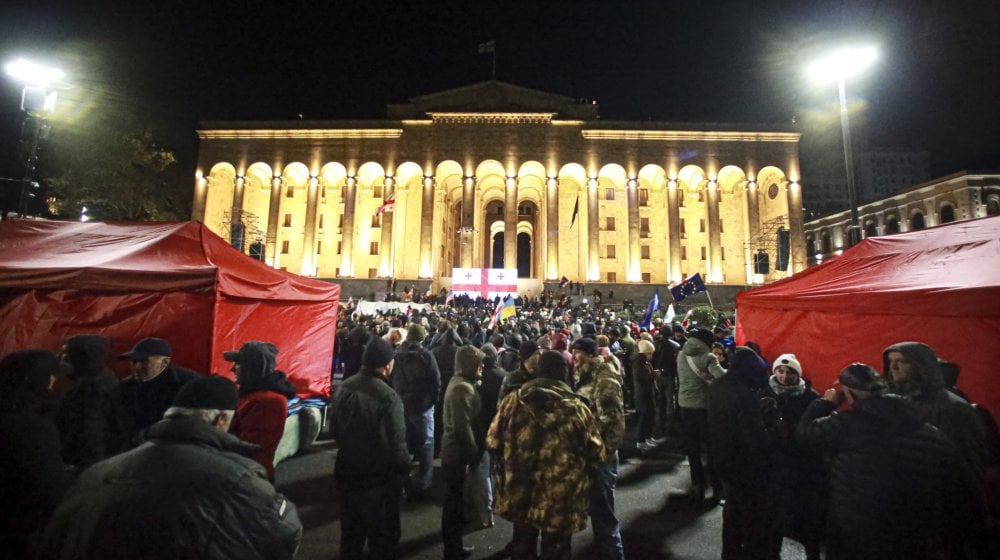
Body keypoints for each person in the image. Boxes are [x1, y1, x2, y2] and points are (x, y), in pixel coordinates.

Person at [40, 376, 302, 559]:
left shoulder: (97, 473)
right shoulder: (238, 478)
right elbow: (284, 533)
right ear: (221, 420)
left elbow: (55, 540)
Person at [797, 363, 985, 560]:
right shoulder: (932, 433)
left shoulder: (847, 424)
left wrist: (825, 403)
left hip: (856, 532)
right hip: (916, 535)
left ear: (849, 395)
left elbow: (805, 435)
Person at [491, 350, 605, 559]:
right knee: (557, 551)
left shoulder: (512, 402)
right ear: (563, 373)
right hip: (561, 499)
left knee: (522, 546)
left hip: (520, 490)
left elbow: (493, 441)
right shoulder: (577, 408)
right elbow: (596, 453)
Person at [330, 337, 411, 560]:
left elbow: (334, 429)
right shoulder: (388, 397)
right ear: (387, 364)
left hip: (347, 472)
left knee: (351, 536)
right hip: (378, 480)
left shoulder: (344, 387)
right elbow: (396, 444)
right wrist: (405, 471)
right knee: (383, 540)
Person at [0, 350, 72, 558]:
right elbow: (49, 488)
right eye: (51, 376)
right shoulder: (33, 429)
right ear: (36, 380)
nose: (54, 382)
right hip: (17, 534)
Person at [706, 347, 776, 559]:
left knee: (732, 510)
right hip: (743, 464)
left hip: (722, 456)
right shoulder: (744, 394)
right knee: (748, 514)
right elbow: (755, 439)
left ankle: (730, 553)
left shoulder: (718, 386)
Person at [883, 341, 989, 477]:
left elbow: (967, 461)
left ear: (921, 366)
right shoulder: (896, 402)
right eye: (890, 361)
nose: (893, 367)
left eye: (902, 361)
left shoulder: (952, 408)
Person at [758, 353, 824, 559]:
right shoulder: (763, 393)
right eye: (780, 371)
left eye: (790, 373)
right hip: (772, 467)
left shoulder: (811, 397)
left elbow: (817, 433)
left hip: (801, 468)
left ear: (799, 375)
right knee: (773, 519)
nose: (784, 376)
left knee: (806, 520)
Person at [571, 336, 626, 560]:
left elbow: (613, 422)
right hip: (588, 453)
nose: (573, 356)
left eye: (578, 352)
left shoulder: (604, 377)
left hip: (601, 455)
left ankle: (613, 554)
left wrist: (603, 452)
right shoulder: (581, 375)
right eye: (572, 352)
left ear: (591, 355)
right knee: (596, 508)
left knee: (603, 512)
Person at [224, 340, 298, 480]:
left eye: (238, 364)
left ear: (252, 368)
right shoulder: (251, 394)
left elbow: (250, 450)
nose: (232, 369)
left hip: (247, 478)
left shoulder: (268, 402)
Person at [112, 337, 199, 452]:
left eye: (144, 361)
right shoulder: (123, 388)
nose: (137, 367)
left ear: (165, 362)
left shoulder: (188, 385)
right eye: (133, 361)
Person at [441, 345, 485, 559]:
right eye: (478, 363)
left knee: (455, 502)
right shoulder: (462, 389)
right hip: (457, 454)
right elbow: (463, 427)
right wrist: (473, 453)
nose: (482, 367)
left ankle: (454, 546)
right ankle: (452, 550)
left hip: (453, 451)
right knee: (454, 504)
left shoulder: (460, 383)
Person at [391, 323, 441, 500]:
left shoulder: (396, 355)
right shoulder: (426, 355)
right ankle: (424, 481)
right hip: (423, 407)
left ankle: (403, 482)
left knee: (404, 442)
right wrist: (432, 402)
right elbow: (436, 381)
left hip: (402, 404)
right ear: (422, 337)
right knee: (427, 442)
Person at [676, 327, 726, 501]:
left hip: (684, 405)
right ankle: (716, 486)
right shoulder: (709, 358)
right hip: (703, 407)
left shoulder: (681, 355)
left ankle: (697, 484)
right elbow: (722, 378)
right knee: (711, 447)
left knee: (693, 447)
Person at [56, 334, 118, 470]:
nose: (60, 357)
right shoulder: (99, 382)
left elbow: (91, 437)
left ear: (84, 356)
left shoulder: (92, 391)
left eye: (65, 353)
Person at [632, 339, 657, 451]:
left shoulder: (644, 361)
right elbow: (642, 377)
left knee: (649, 416)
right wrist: (653, 374)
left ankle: (647, 437)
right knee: (644, 417)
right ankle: (640, 440)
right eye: (650, 353)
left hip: (647, 392)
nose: (651, 355)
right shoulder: (639, 362)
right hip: (642, 394)